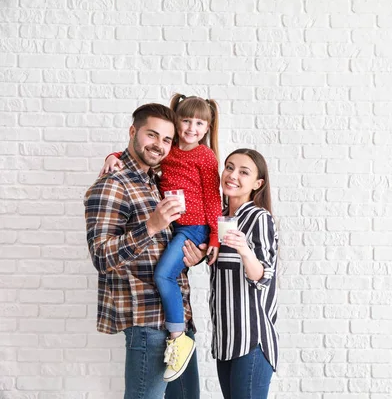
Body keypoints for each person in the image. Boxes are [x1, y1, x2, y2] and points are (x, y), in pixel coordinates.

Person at [84, 103, 204, 398]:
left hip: (178, 321)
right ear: (133, 132)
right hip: (147, 322)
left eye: (166, 139)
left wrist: (194, 255)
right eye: (152, 135)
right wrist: (150, 226)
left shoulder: (156, 181)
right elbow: (101, 257)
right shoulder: (113, 184)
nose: (159, 145)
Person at [101, 94, 222, 381]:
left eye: (199, 123)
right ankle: (179, 332)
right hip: (174, 227)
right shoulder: (168, 150)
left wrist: (213, 238)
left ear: (207, 128)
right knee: (166, 275)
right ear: (176, 121)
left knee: (164, 276)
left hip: (193, 228)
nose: (191, 128)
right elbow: (140, 157)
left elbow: (212, 199)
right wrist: (112, 156)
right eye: (185, 120)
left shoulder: (205, 156)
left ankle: (177, 336)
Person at [192, 148, 279, 399]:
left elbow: (263, 275)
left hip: (252, 340)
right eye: (229, 167)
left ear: (257, 183)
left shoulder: (258, 218)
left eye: (244, 172)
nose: (232, 175)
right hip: (226, 341)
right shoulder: (218, 218)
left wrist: (244, 250)